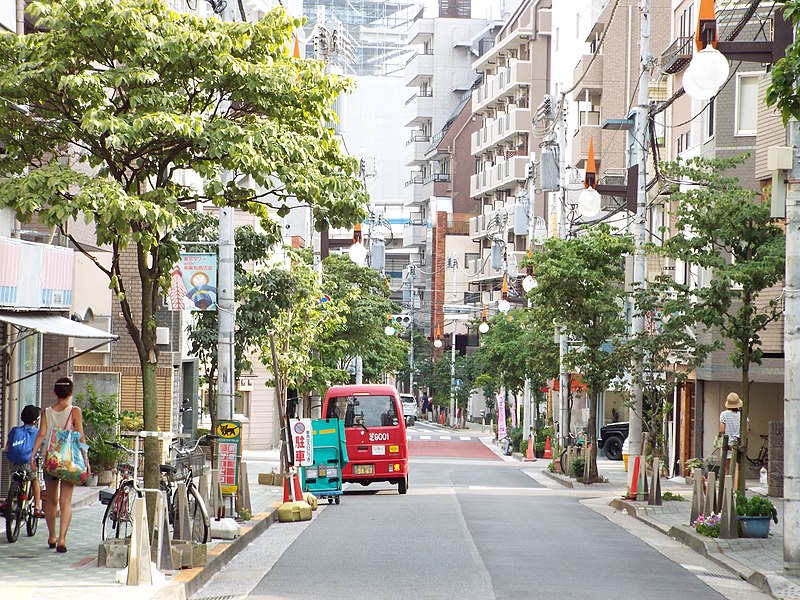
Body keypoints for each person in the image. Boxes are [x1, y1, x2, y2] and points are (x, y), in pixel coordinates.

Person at [29, 377, 89, 553]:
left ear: (55, 392)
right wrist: (86, 458)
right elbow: (81, 436)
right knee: (66, 502)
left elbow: (41, 435)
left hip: (51, 460)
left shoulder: (47, 411)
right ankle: (62, 539)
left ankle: (52, 536)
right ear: (70, 393)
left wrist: (32, 456)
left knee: (51, 500)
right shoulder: (75, 411)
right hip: (70, 462)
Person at [2, 404, 45, 518]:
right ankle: (37, 507)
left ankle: (7, 501)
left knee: (14, 479)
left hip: (12, 463)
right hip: (27, 463)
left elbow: (7, 446)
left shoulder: (15, 431)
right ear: (36, 420)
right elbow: (43, 444)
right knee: (34, 480)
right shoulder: (37, 433)